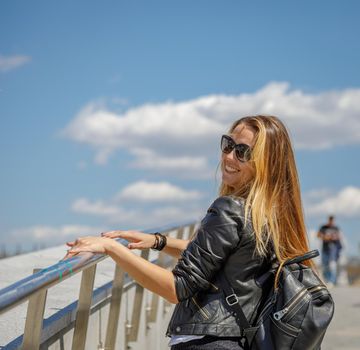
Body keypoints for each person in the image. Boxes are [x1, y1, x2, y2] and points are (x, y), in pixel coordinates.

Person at [63, 115, 315, 349]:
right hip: (238, 340)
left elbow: (177, 288)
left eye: (242, 152)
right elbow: (220, 256)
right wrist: (158, 242)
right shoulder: (273, 214)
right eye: (228, 145)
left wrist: (112, 248)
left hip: (207, 342)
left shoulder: (230, 209)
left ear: (265, 164)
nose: (228, 157)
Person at [317, 215, 342, 286]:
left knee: (332, 264)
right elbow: (318, 235)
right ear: (328, 220)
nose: (331, 222)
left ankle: (332, 281)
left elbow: (339, 236)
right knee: (325, 265)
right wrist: (325, 237)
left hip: (333, 249)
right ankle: (326, 279)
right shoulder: (323, 227)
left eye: (332, 220)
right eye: (330, 220)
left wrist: (334, 237)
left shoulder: (335, 228)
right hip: (325, 249)